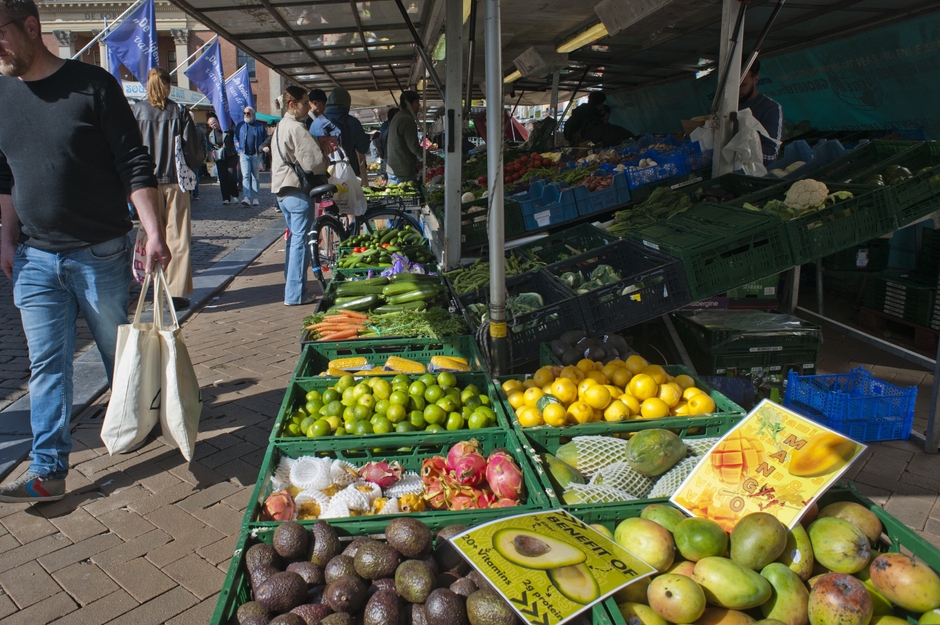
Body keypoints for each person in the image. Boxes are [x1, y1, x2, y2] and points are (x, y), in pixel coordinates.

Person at [0, 0, 170, 503]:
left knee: (121, 356)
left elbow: (133, 162)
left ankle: (145, 418)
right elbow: (5, 176)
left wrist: (153, 230)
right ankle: (49, 470)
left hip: (101, 253)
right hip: (34, 257)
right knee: (46, 366)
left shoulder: (94, 86)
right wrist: (5, 237)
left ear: (31, 27)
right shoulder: (0, 95)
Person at [133, 67, 205, 310]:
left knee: (151, 236)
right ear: (168, 86)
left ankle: (153, 290)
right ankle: (174, 293)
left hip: (146, 184)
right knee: (178, 238)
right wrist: (196, 163)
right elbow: (192, 151)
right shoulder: (178, 110)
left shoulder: (137, 111)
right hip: (175, 180)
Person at [271, 86, 328, 306]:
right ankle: (295, 294)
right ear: (292, 105)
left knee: (294, 241)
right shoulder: (296, 128)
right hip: (295, 190)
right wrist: (325, 157)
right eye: (305, 102)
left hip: (282, 190)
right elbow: (313, 162)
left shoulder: (281, 126)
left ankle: (293, 287)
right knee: (300, 243)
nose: (309, 106)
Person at [739, 59, 783, 166]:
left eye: (743, 85)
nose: (738, 89)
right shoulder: (726, 106)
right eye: (734, 85)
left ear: (756, 79)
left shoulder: (770, 108)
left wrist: (739, 149)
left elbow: (771, 155)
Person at [323, 86, 371, 178]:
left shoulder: (317, 122)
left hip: (325, 174)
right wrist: (367, 138)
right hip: (349, 172)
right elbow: (363, 148)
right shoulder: (353, 122)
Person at [234, 106, 270, 206]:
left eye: (248, 113)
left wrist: (263, 147)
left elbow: (266, 138)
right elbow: (235, 138)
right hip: (244, 154)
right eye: (244, 113)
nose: (246, 115)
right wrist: (239, 149)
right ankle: (246, 197)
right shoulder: (240, 126)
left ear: (253, 114)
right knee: (245, 175)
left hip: (255, 154)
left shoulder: (259, 126)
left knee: (255, 177)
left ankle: (255, 197)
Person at [386, 90, 423, 186]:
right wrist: (433, 158)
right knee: (406, 198)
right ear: (408, 104)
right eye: (416, 102)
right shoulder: (407, 120)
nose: (419, 105)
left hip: (393, 169)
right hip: (403, 171)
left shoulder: (397, 116)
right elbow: (414, 147)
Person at [206, 113, 239, 204]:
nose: (214, 124)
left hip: (231, 154)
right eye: (211, 124)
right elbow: (212, 146)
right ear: (210, 126)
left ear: (217, 121)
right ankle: (226, 198)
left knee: (231, 175)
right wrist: (213, 152)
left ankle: (235, 195)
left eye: (214, 122)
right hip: (220, 157)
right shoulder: (211, 135)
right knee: (223, 177)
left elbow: (235, 138)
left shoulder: (227, 129)